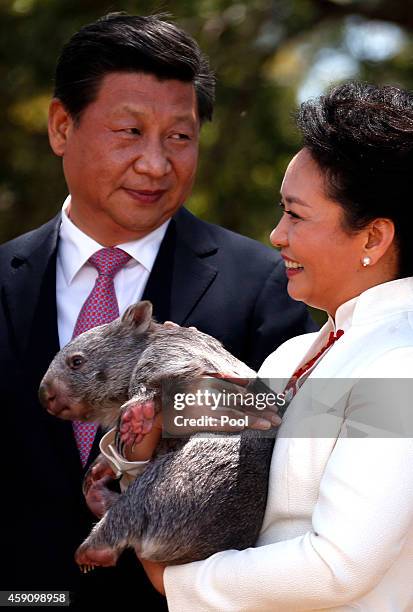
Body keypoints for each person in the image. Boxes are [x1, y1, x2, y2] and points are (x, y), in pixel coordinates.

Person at [0, 12, 315, 609]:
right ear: (62, 127)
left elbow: (301, 432)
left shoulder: (271, 285)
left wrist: (171, 411)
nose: (156, 164)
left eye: (179, 136)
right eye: (129, 132)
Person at [139, 82, 413, 610]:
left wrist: (176, 582)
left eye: (296, 215)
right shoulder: (295, 355)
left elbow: (338, 567)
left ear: (373, 239)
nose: (276, 235)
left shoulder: (399, 363)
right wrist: (143, 439)